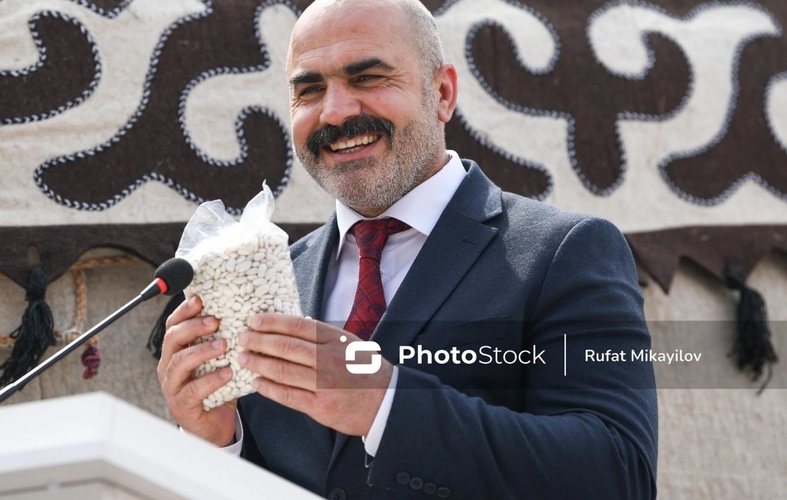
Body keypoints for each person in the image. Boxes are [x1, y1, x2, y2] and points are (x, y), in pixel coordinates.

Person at [157, 0, 658, 498]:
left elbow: (617, 473)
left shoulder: (564, 252)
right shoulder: (274, 277)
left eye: (368, 78)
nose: (334, 111)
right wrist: (218, 444)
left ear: (442, 93)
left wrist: (383, 406)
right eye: (309, 89)